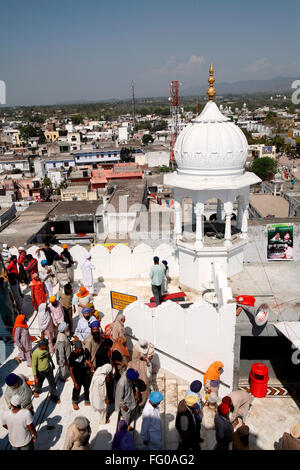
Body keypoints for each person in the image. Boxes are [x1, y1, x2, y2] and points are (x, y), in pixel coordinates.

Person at [32, 338, 60, 403]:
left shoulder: (46, 348)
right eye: (46, 345)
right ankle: (37, 391)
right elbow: (34, 365)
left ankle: (53, 396)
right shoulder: (35, 353)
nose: (47, 346)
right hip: (40, 372)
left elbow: (49, 356)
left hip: (49, 369)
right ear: (41, 345)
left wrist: (52, 363)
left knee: (52, 383)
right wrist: (35, 376)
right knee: (39, 383)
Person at [128, 338, 155, 406]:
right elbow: (135, 359)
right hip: (140, 367)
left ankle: (144, 400)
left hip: (146, 366)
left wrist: (146, 360)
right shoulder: (136, 348)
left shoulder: (150, 348)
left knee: (146, 381)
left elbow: (150, 358)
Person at [68, 340, 94, 410]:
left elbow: (84, 359)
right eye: (78, 348)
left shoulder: (82, 351)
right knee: (77, 389)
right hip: (77, 376)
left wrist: (89, 364)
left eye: (80, 348)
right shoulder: (72, 356)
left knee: (87, 387)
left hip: (84, 373)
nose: (80, 350)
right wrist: (75, 382)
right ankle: (75, 401)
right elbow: (70, 370)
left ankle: (86, 399)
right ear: (75, 348)